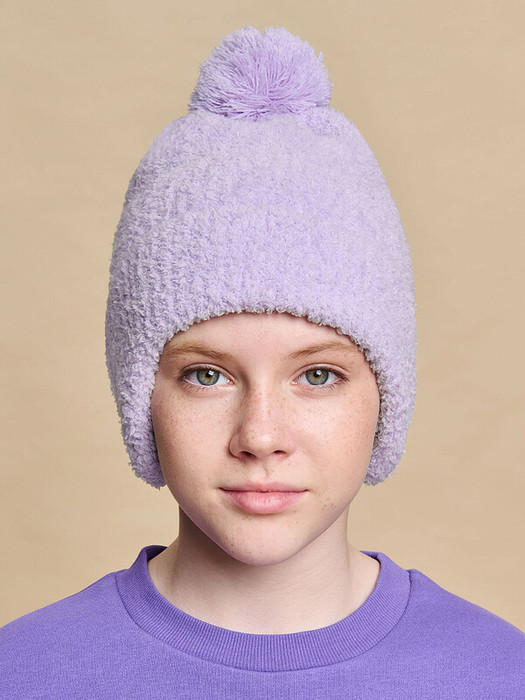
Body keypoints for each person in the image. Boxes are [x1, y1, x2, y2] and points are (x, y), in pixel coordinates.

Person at [1, 25, 523, 699]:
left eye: (317, 376)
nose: (260, 436)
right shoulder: (24, 673)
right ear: (141, 399)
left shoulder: (499, 675)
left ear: (385, 397)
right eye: (206, 375)